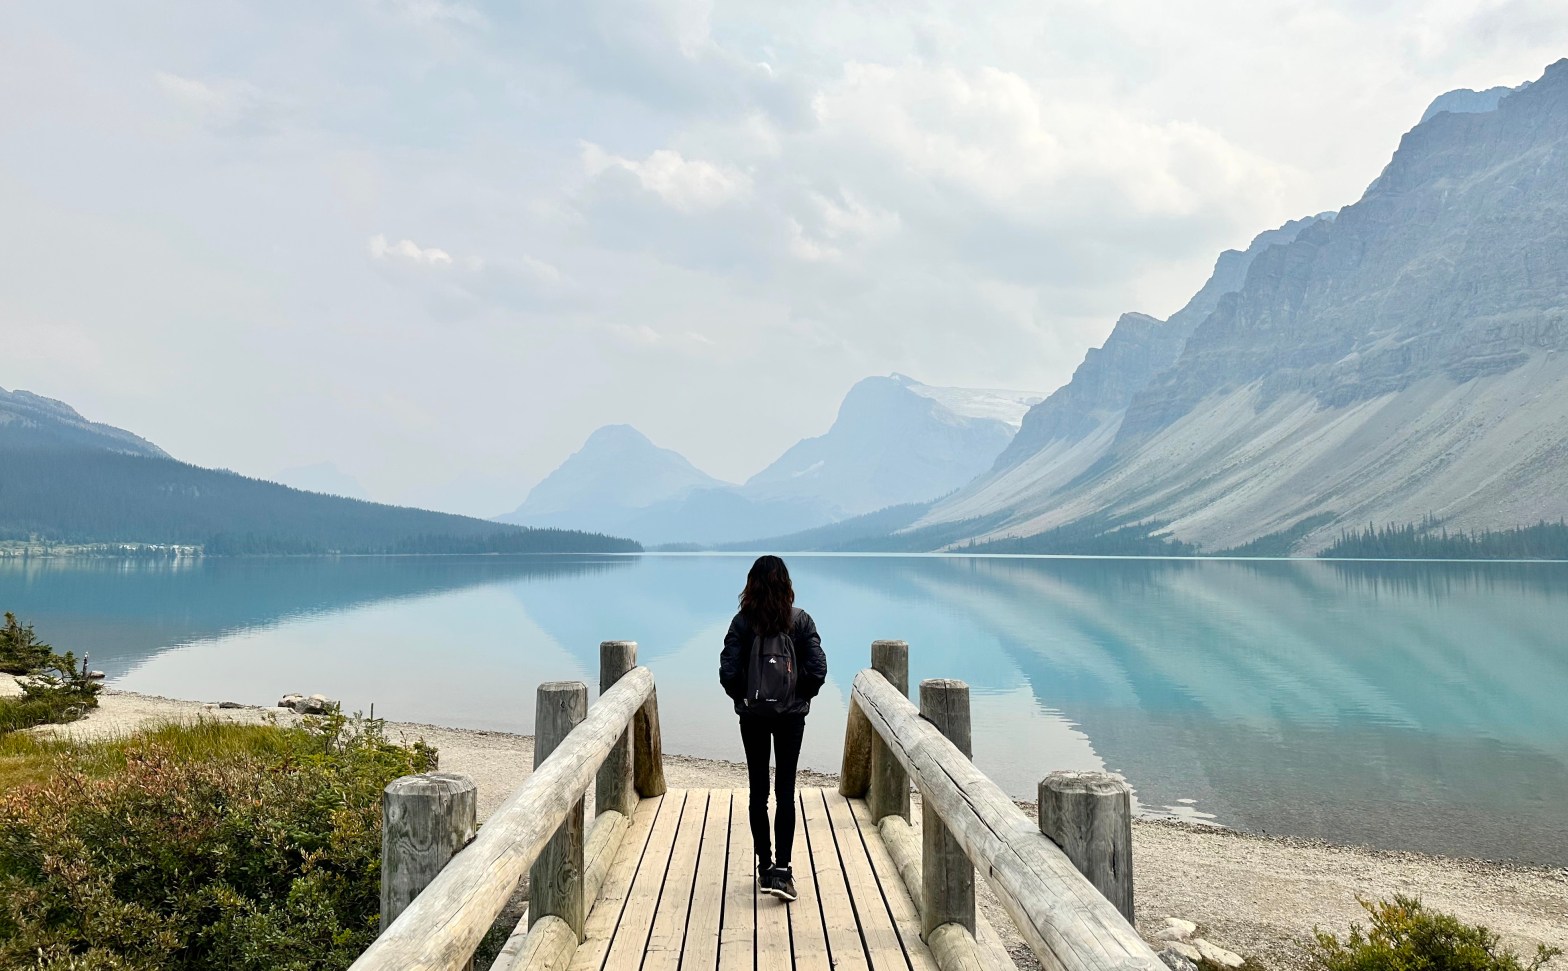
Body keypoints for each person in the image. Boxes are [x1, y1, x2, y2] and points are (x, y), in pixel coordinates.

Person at [718, 555, 827, 904]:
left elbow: (728, 673)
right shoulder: (801, 620)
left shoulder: (741, 623)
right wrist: (795, 695)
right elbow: (818, 670)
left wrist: (747, 698)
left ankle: (764, 866)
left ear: (751, 585)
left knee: (757, 792)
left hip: (752, 716)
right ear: (786, 584)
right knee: (785, 791)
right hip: (791, 717)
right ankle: (783, 869)